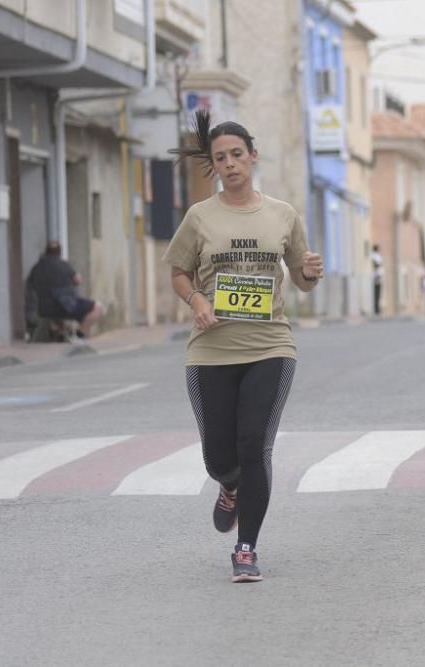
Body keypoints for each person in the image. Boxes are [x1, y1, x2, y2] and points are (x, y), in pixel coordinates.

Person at [164, 110, 323, 583]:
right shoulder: (199, 217)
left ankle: (246, 547)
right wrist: (195, 300)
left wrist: (309, 274)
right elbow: (177, 271)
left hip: (270, 345)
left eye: (237, 154)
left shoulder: (282, 214)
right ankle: (228, 485)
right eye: (220, 158)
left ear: (252, 156)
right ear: (213, 167)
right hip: (211, 350)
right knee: (219, 455)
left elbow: (300, 275)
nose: (230, 163)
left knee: (254, 444)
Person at [25, 241, 104, 341]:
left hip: (44, 309)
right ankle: (80, 334)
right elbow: (78, 280)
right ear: (59, 253)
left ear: (46, 252)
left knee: (56, 315)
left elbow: (30, 285)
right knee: (98, 307)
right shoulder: (64, 265)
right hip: (65, 307)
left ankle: (59, 332)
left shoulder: (36, 268)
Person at [370, 244, 383, 316]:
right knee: (376, 293)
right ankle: (376, 309)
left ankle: (377, 309)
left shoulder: (376, 256)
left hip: (377, 276)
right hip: (376, 277)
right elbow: (376, 264)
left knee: (377, 294)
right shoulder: (374, 256)